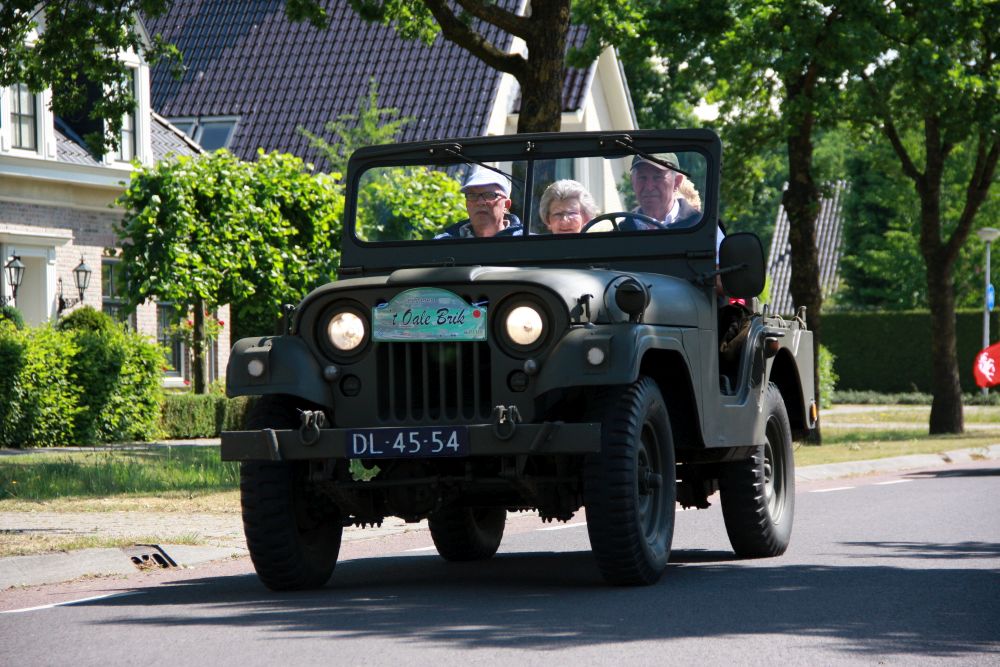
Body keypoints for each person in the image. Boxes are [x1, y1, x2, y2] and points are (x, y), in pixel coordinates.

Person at [435, 166, 523, 239]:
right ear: (466, 204)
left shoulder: (526, 243)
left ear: (506, 205)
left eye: (489, 195)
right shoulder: (441, 243)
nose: (480, 202)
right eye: (472, 195)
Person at [629, 153, 702, 228]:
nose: (649, 187)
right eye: (642, 178)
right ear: (632, 181)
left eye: (657, 177)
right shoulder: (622, 231)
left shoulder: (699, 226)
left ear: (676, 182)